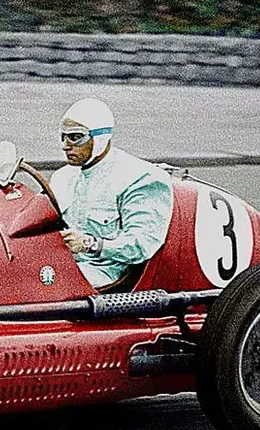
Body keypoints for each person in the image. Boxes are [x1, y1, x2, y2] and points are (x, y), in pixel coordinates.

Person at [50, 98, 174, 289]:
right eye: (63, 137)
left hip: (106, 272)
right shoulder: (62, 176)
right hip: (63, 263)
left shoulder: (140, 178)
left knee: (42, 286)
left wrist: (89, 244)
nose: (65, 146)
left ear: (100, 138)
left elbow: (142, 244)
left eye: (75, 137)